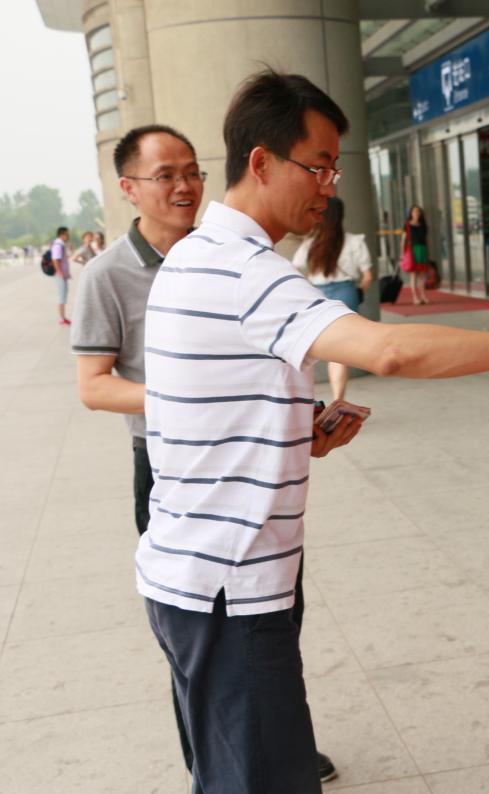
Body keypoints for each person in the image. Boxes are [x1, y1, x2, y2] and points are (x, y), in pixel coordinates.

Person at [138, 69, 489, 794]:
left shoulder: (192, 256)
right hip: (230, 586)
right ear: (261, 162)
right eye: (318, 166)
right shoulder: (246, 270)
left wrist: (296, 433)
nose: (328, 186)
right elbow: (389, 350)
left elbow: (208, 409)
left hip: (190, 575)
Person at [71, 122, 342, 787]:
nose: (184, 185)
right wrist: (195, 397)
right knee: (204, 619)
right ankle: (217, 756)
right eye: (165, 175)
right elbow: (93, 386)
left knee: (271, 610)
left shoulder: (221, 255)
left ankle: (267, 733)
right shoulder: (108, 275)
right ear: (129, 187)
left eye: (192, 170)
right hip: (172, 465)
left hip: (247, 461)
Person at [292, 196, 373, 399]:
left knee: (307, 345)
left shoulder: (311, 242)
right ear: (341, 216)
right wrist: (360, 291)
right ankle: (338, 399)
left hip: (317, 295)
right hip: (346, 293)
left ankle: (304, 397)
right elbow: (367, 276)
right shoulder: (354, 242)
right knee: (339, 352)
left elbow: (294, 268)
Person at [401, 204, 430, 304]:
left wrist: (427, 252)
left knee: (422, 275)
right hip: (412, 251)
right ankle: (415, 297)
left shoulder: (423, 225)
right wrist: (402, 254)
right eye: (414, 212)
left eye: (418, 212)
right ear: (411, 213)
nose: (417, 213)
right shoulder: (407, 225)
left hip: (422, 250)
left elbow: (425, 240)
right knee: (413, 275)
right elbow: (403, 240)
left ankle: (423, 295)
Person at [50, 226, 72, 325]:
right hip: (60, 275)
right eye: (67, 234)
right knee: (62, 296)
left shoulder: (60, 244)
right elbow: (55, 259)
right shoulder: (58, 245)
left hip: (62, 274)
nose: (68, 236)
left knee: (63, 295)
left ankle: (63, 317)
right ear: (62, 234)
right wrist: (60, 272)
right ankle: (62, 318)